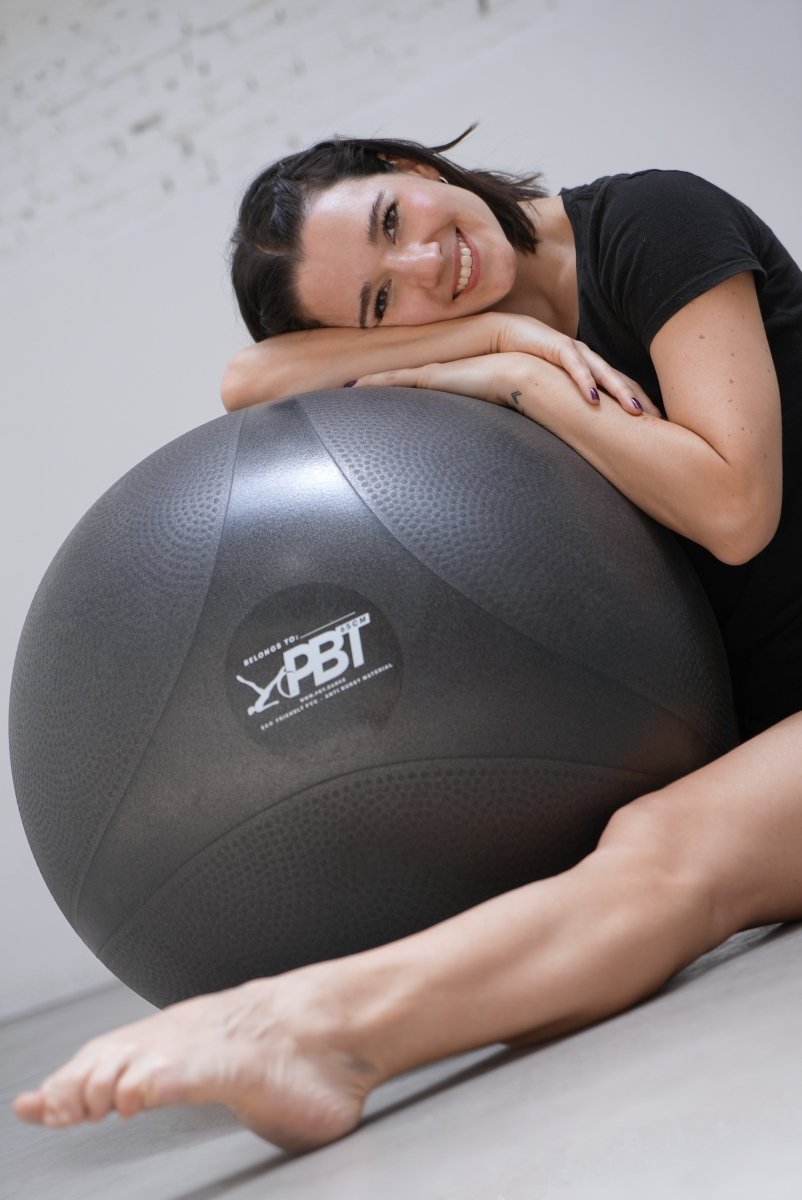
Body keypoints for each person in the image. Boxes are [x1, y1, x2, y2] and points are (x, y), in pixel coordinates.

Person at [14, 128, 802, 1154]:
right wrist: (503, 344)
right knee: (654, 844)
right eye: (382, 302)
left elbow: (734, 504)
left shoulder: (649, 220)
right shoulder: (480, 332)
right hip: (764, 736)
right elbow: (248, 382)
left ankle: (318, 1033)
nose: (431, 266)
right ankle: (306, 1025)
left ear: (416, 167)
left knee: (669, 856)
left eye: (396, 220)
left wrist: (529, 386)